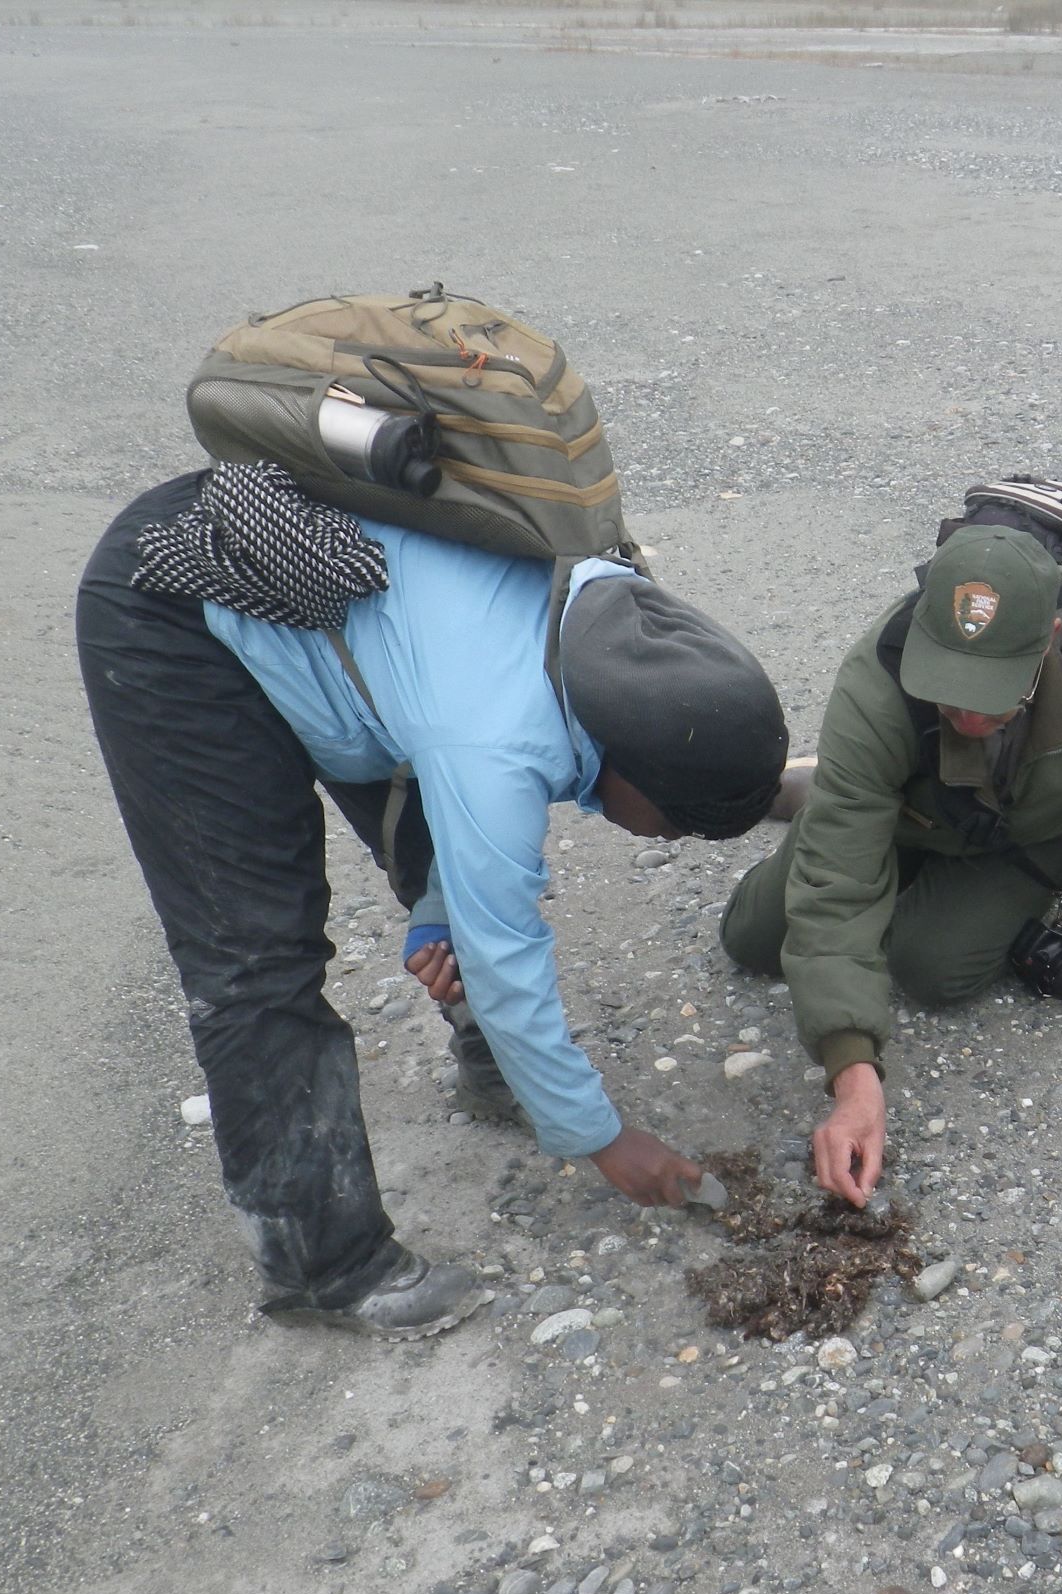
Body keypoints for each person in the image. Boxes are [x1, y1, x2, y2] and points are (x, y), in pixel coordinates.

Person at [78, 467, 788, 1340]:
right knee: (256, 956)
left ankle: (498, 1071)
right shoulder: (496, 740)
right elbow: (501, 924)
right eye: (675, 828)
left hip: (346, 605)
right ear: (647, 772)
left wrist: (436, 914)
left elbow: (455, 755)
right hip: (180, 602)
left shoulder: (611, 631)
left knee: (440, 857)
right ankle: (324, 1266)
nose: (665, 843)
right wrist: (602, 1138)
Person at [720, 523, 1062, 1208]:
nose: (965, 713)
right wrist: (852, 1071)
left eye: (990, 692)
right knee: (750, 940)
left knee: (932, 967)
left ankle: (848, 803)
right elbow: (836, 886)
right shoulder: (875, 676)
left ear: (1046, 634)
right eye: (948, 687)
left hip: (1033, 824)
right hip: (910, 816)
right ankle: (837, 789)